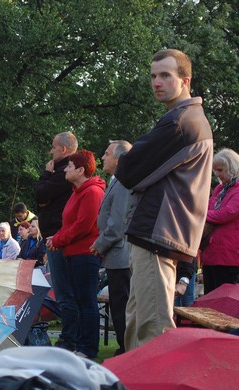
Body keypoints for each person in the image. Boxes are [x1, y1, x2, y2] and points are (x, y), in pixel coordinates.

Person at [115, 49, 214, 350]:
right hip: (159, 232)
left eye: (165, 75)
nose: (156, 82)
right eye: (153, 76)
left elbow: (128, 170)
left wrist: (126, 161)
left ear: (185, 80)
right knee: (138, 319)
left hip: (159, 232)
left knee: (152, 327)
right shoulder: (185, 118)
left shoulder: (180, 123)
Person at [47, 150, 105, 359]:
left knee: (86, 300)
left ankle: (88, 348)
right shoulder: (77, 191)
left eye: (70, 166)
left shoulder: (92, 192)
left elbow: (83, 225)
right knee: (79, 300)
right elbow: (69, 223)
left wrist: (58, 240)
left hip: (85, 253)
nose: (65, 169)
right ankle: (79, 344)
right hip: (73, 253)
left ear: (81, 170)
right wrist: (56, 238)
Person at [34, 131, 77, 351]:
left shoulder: (63, 173)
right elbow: (40, 200)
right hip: (54, 236)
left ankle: (70, 338)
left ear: (63, 149)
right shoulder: (61, 173)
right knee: (63, 291)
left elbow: (41, 195)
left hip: (58, 237)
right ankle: (70, 336)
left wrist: (46, 175)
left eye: (53, 147)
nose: (50, 151)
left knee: (64, 292)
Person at [89, 140, 133, 355]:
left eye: (106, 154)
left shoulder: (125, 183)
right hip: (116, 254)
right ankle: (124, 349)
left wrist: (99, 244)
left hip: (121, 255)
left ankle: (126, 351)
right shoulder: (117, 181)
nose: (102, 158)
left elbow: (117, 224)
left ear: (119, 158)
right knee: (118, 305)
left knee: (122, 306)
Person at [200, 148, 239, 293]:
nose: (218, 175)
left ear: (232, 167)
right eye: (216, 171)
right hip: (211, 253)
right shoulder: (221, 189)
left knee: (221, 304)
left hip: (228, 256)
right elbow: (209, 209)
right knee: (210, 302)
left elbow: (223, 215)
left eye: (220, 170)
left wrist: (198, 215)